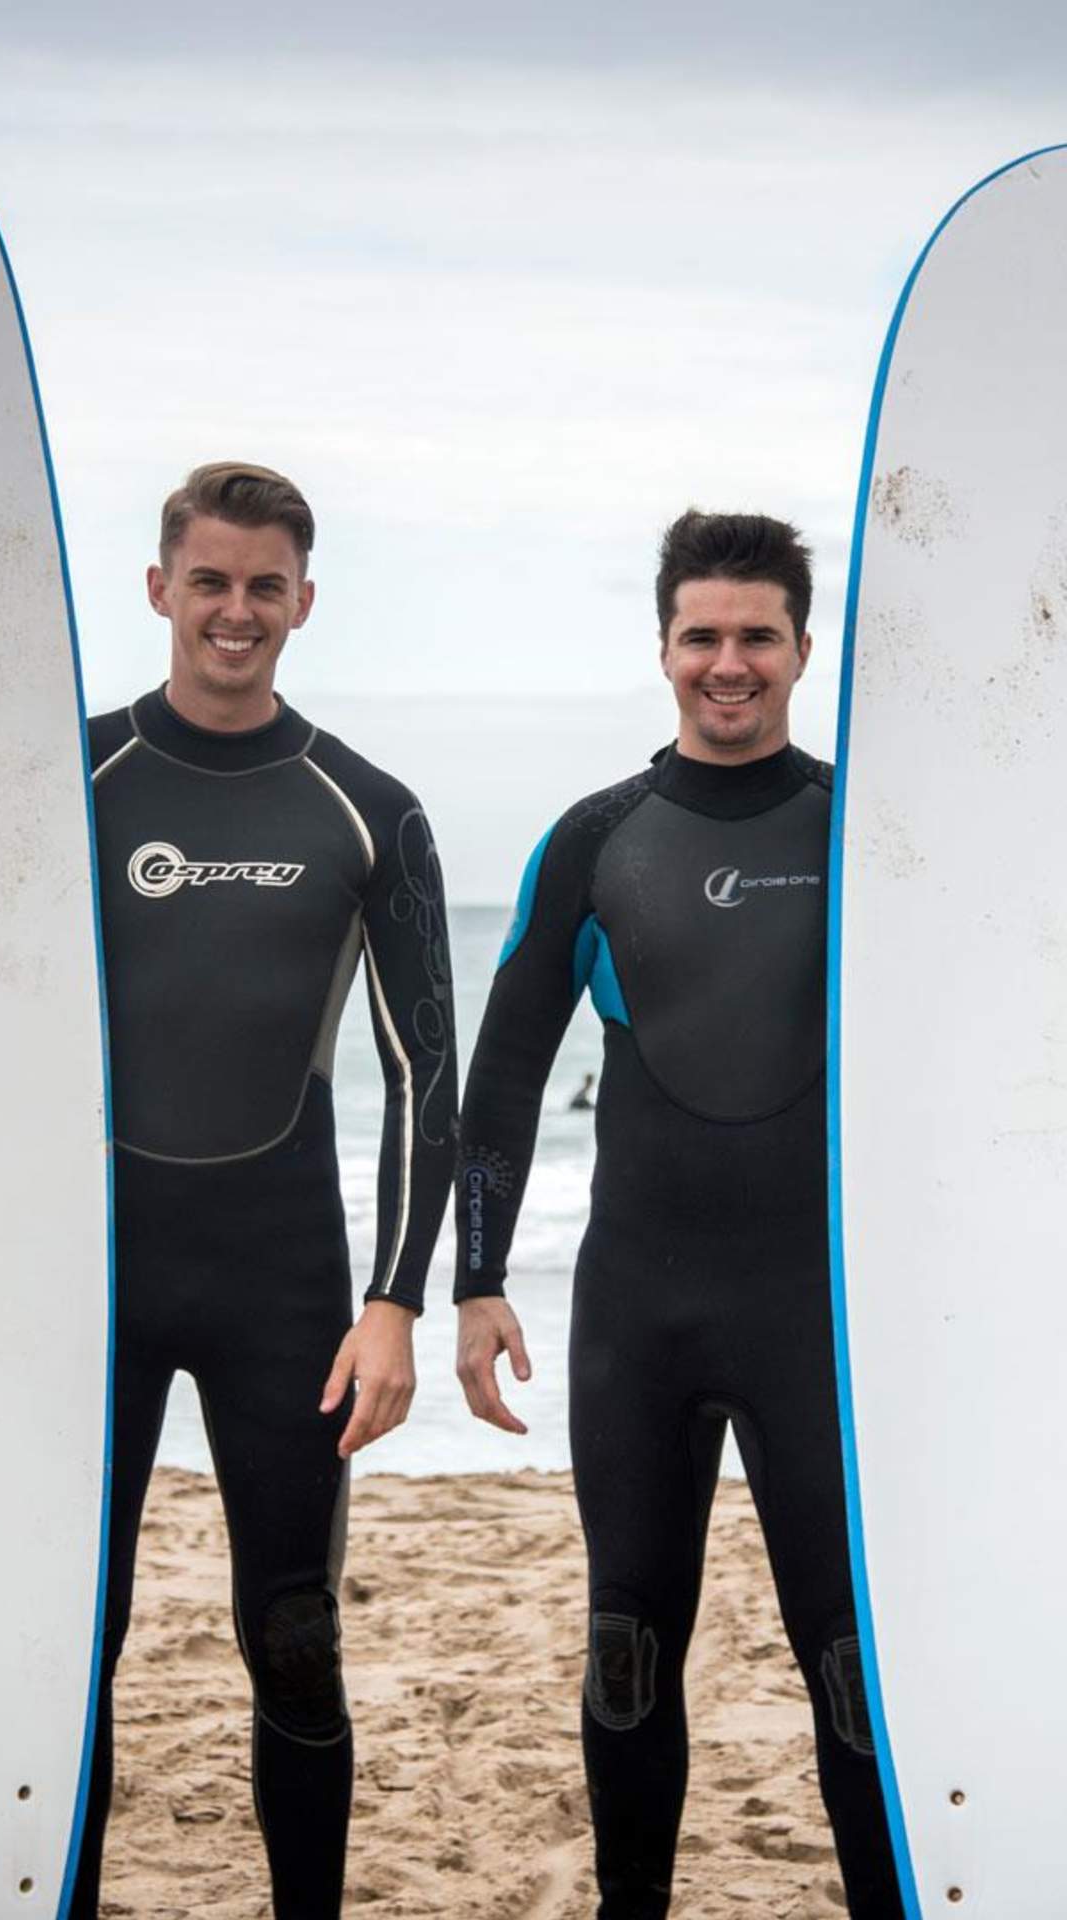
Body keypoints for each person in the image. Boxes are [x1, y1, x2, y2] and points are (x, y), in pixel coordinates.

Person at [453, 512, 903, 1918]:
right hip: (638, 1308)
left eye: (756, 635)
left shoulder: (869, 831)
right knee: (629, 1642)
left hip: (816, 1320)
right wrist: (474, 1278)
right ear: (663, 649)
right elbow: (507, 1067)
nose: (729, 661)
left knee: (850, 1658)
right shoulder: (595, 841)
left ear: (802, 650)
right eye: (702, 634)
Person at [73, 463, 456, 1919]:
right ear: (161, 588)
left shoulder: (366, 810)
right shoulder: (61, 779)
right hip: (88, 1280)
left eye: (266, 586)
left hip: (287, 1286)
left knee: (293, 1636)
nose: (237, 612)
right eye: (212, 581)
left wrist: (396, 1303)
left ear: (303, 602)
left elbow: (427, 1074)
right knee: (66, 1641)